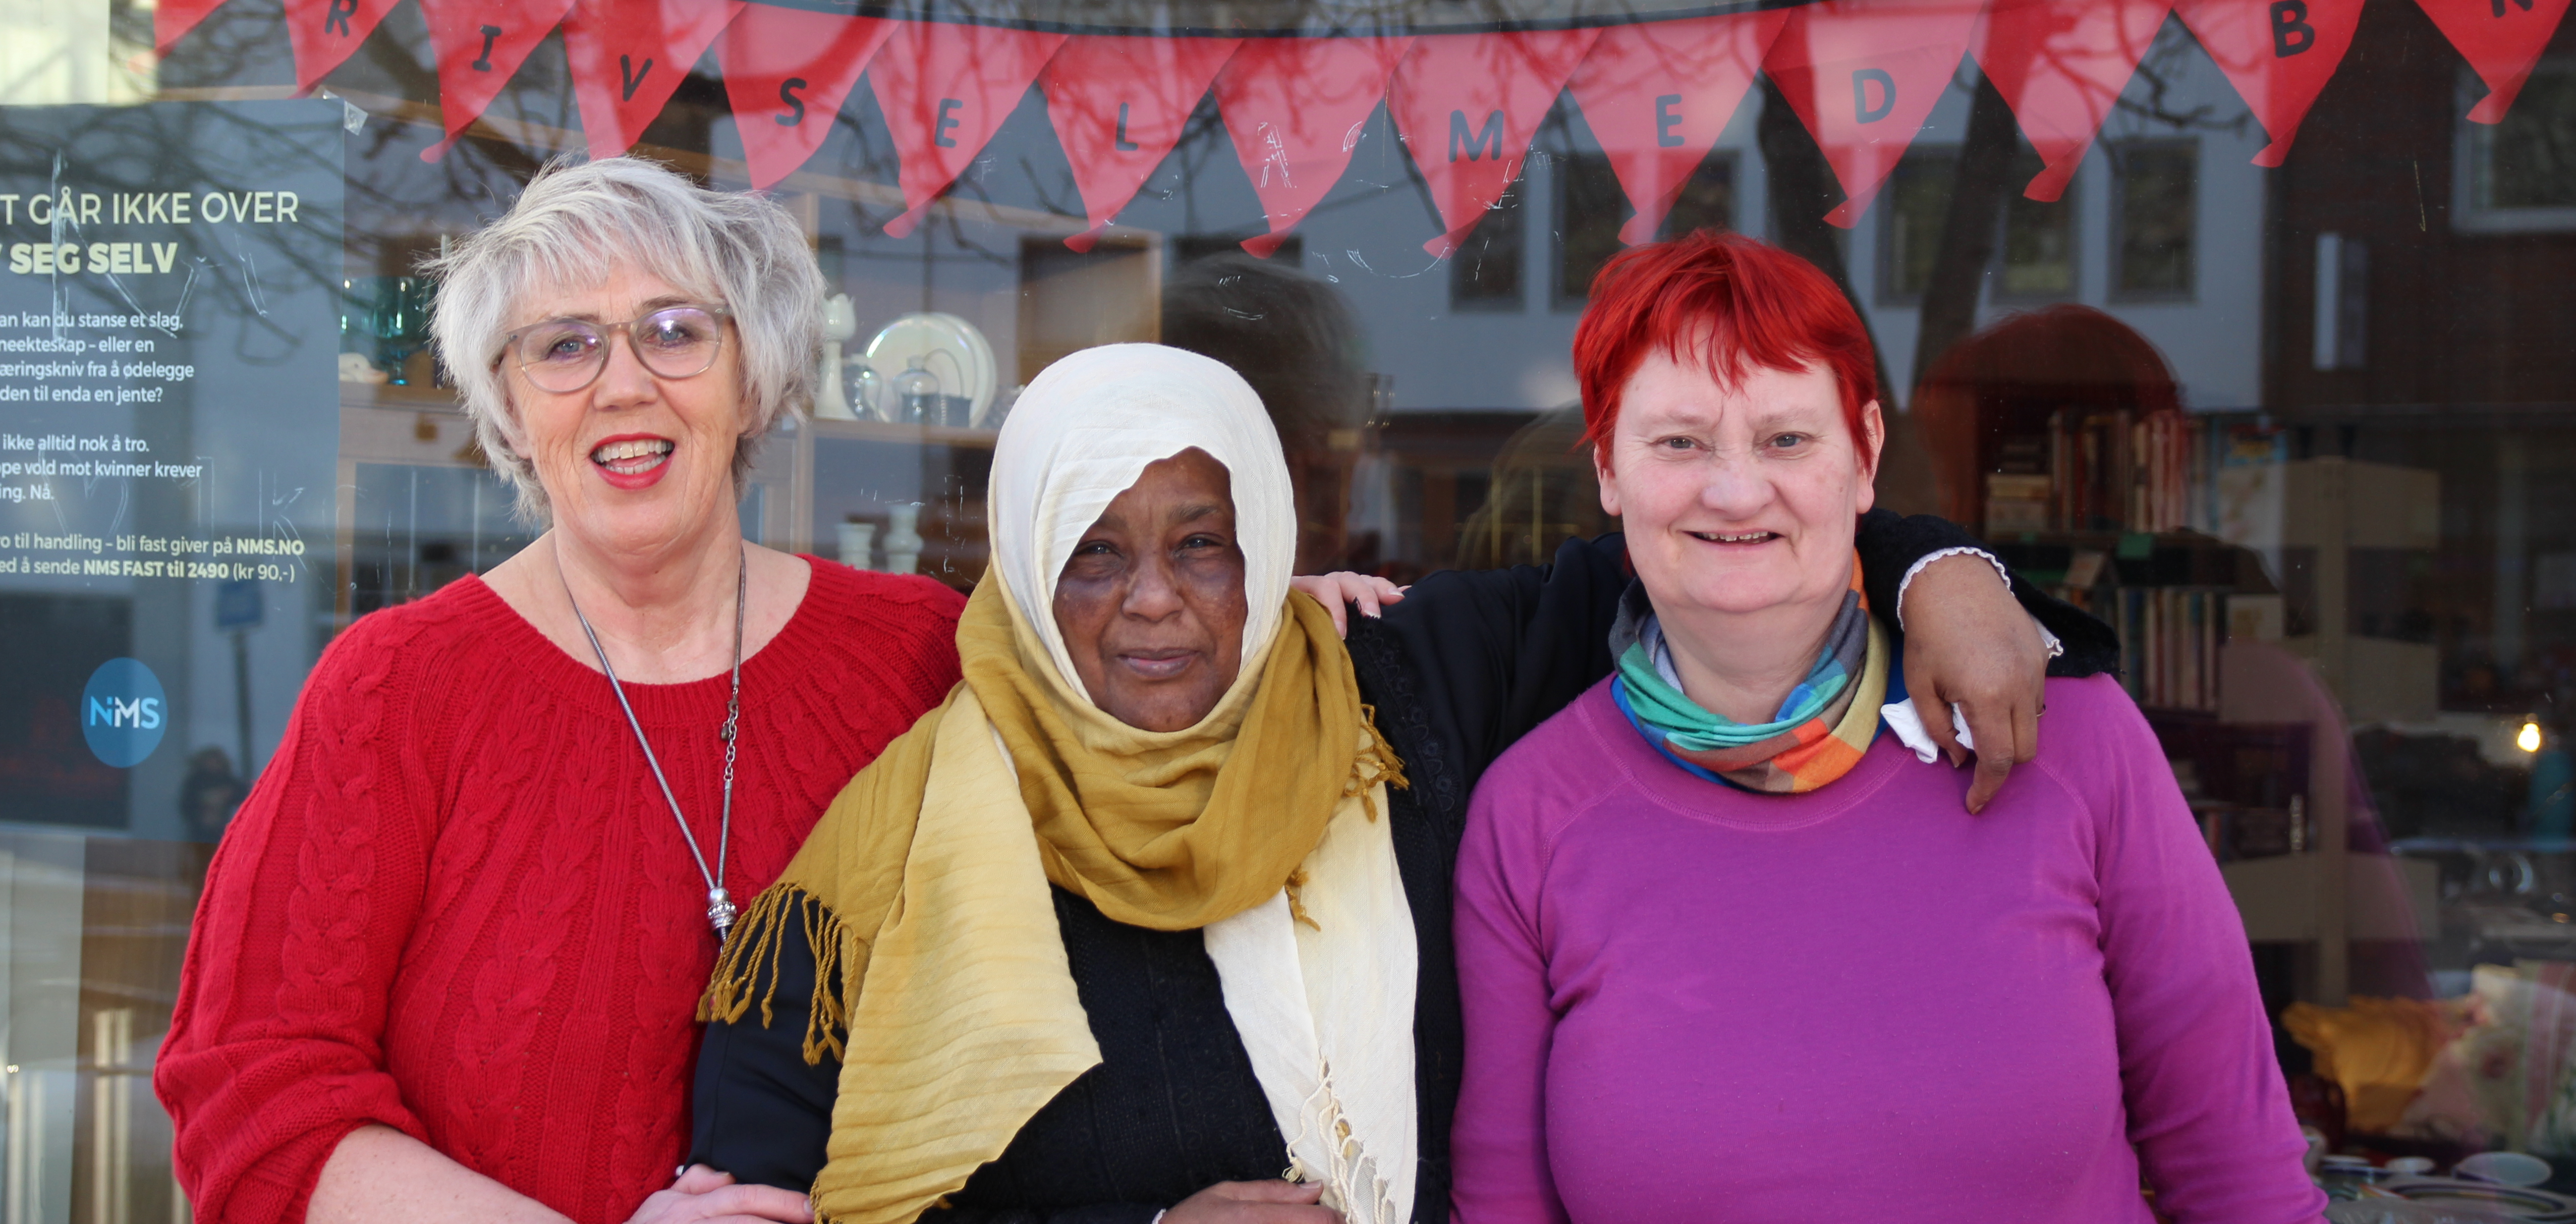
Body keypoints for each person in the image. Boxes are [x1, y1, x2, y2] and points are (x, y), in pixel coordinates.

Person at [688, 342, 2097, 1224]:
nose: (1156, 606)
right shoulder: (889, 868)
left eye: (1204, 544)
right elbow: (766, 1200)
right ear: (1018, 567)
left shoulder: (1403, 690)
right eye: (1095, 554)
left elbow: (1711, 547)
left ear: (1268, 540)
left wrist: (1935, 569)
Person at [1448, 232, 2320, 1224]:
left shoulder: (2066, 735)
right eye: (1679, 441)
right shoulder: (1533, 813)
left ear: (1864, 457)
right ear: (1608, 469)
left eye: (1787, 439)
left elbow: (2241, 1175)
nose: (1736, 492)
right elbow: (1502, 1207)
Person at [155, 157, 963, 1224]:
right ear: (509, 400)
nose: (623, 384)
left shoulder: (922, 660)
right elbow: (252, 1101)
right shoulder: (399, 689)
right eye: (566, 346)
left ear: (753, 374)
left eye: (676, 331)